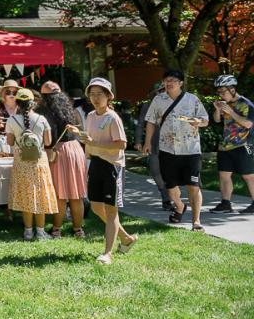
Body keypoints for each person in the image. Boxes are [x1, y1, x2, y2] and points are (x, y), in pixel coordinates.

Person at [70, 77, 137, 264]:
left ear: (109, 97)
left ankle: (108, 253)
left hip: (112, 166)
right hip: (96, 163)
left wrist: (94, 143)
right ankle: (126, 238)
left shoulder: (113, 118)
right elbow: (91, 139)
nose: (95, 98)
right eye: (92, 94)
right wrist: (80, 135)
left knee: (111, 210)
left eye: (100, 94)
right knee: (97, 206)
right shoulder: (90, 116)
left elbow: (121, 144)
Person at [142, 69, 208, 231]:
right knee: (170, 186)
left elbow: (205, 120)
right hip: (167, 149)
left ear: (181, 83)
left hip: (190, 149)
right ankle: (179, 206)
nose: (169, 83)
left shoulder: (192, 99)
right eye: (166, 80)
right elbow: (151, 121)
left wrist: (197, 122)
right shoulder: (158, 100)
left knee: (193, 186)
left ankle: (196, 221)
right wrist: (147, 142)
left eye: (173, 80)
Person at [5, 88, 58, 240]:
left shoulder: (12, 120)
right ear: (33, 103)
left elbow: (9, 142)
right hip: (39, 162)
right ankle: (40, 232)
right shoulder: (42, 119)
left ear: (18, 103)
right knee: (40, 195)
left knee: (25, 196)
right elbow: (48, 142)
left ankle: (28, 231)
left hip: (21, 161)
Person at [42, 90, 87, 238]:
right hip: (75, 149)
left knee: (60, 194)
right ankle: (78, 229)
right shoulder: (71, 111)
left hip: (59, 151)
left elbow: (49, 139)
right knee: (76, 194)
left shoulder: (48, 114)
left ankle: (56, 230)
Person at [210, 74, 254, 214]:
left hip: (243, 145)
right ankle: (225, 204)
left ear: (232, 89)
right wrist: (217, 110)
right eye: (219, 92)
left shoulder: (246, 104)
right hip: (225, 146)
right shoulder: (225, 104)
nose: (221, 95)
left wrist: (231, 112)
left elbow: (248, 124)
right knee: (224, 175)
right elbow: (217, 121)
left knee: (248, 176)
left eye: (223, 91)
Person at [134, 81, 172, 210]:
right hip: (154, 143)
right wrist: (139, 141)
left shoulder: (174, 104)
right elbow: (140, 124)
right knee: (155, 170)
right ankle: (165, 196)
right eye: (159, 91)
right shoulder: (148, 105)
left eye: (163, 90)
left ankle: (172, 197)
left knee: (170, 172)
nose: (162, 93)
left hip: (171, 144)